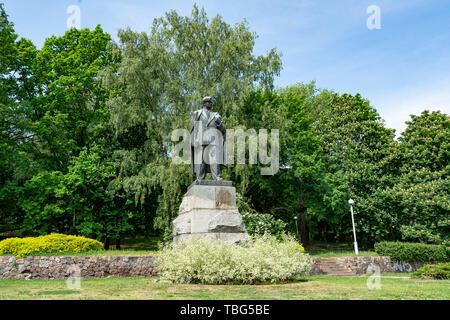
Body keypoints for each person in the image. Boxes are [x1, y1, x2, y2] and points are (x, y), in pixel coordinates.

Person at [190, 96, 227, 181]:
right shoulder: (198, 113)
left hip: (213, 140)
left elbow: (223, 130)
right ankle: (199, 178)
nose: (210, 104)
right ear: (204, 103)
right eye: (208, 102)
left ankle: (217, 177)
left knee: (214, 160)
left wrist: (219, 122)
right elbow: (194, 128)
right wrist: (194, 140)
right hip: (201, 140)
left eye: (211, 102)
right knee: (201, 161)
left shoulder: (216, 115)